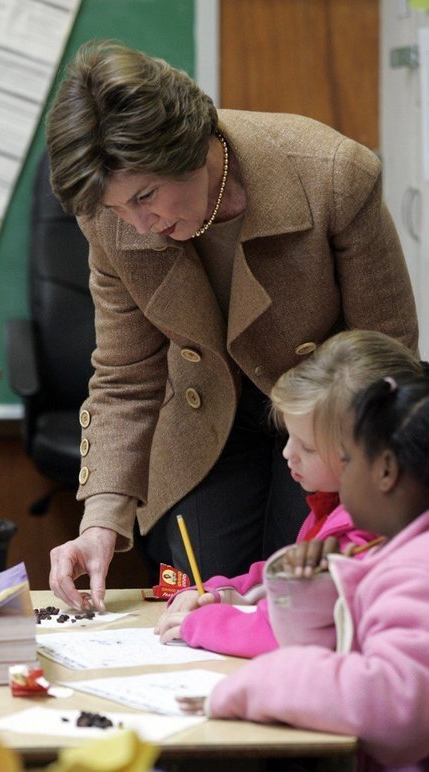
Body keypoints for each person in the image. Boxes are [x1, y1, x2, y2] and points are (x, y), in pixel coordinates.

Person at [45, 39, 418, 611]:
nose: (140, 226)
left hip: (327, 420)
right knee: (202, 592)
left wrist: (363, 483)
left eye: (147, 196)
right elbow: (125, 375)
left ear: (190, 147)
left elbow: (385, 357)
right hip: (202, 419)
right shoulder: (110, 218)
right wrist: (99, 521)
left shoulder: (335, 176)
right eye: (121, 210)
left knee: (309, 588)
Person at [177, 372, 429, 772]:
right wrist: (308, 594)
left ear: (384, 470)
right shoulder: (398, 556)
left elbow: (392, 706)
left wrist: (257, 683)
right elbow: (334, 648)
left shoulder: (416, 570)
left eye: (347, 460)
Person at [155, 329, 422, 655]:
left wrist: (201, 625)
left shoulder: (365, 536)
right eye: (288, 437)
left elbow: (286, 633)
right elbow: (282, 586)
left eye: (307, 447)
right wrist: (226, 592)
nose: (288, 454)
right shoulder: (335, 504)